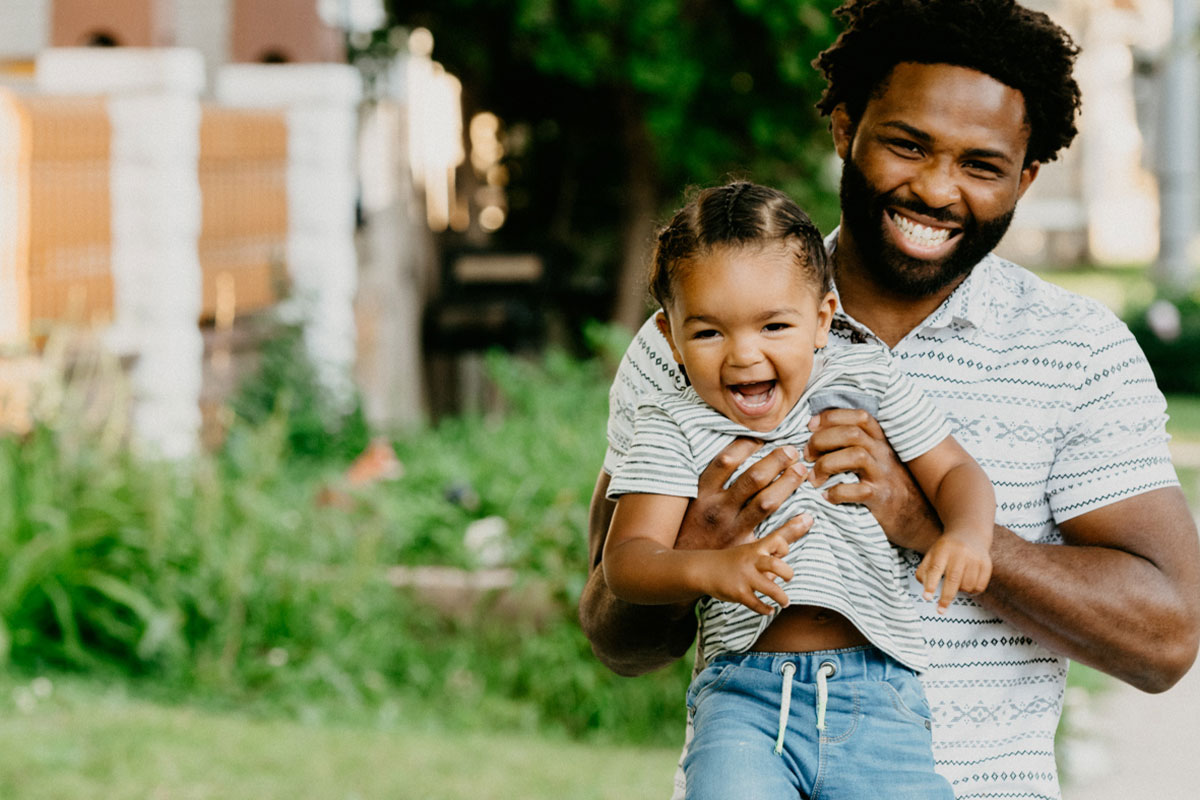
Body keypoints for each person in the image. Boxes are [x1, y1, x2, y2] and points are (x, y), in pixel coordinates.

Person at [578, 2, 1200, 799]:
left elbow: (1166, 637)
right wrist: (699, 543)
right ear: (846, 128)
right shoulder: (694, 342)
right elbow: (614, 635)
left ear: (1026, 177)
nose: (937, 190)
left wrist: (922, 518)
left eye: (982, 166)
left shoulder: (1077, 350)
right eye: (908, 145)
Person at [603, 181, 994, 798]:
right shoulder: (671, 423)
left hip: (879, 695)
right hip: (743, 700)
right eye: (707, 333)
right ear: (670, 336)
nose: (743, 355)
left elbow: (953, 471)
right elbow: (626, 563)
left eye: (774, 325)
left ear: (821, 321)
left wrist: (967, 534)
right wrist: (712, 567)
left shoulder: (866, 379)